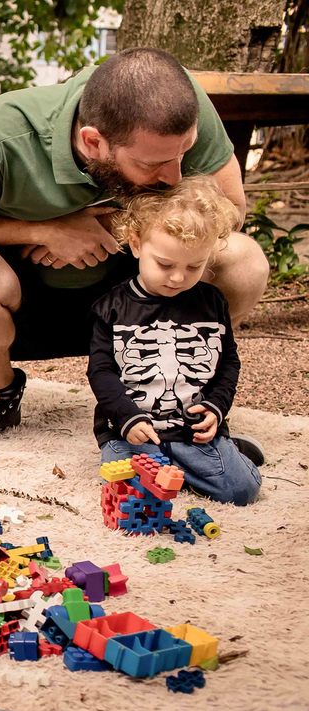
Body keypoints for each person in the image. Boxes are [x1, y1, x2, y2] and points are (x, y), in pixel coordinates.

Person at [0, 47, 269, 442]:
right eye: (152, 165)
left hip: (147, 293)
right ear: (93, 141)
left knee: (242, 260)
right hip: (25, 304)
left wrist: (119, 224)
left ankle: (186, 394)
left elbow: (231, 209)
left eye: (183, 155)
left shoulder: (179, 109)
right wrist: (43, 231)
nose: (174, 177)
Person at [88, 176, 261, 505]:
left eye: (195, 265)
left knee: (242, 490)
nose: (179, 277)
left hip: (190, 432)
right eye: (165, 264)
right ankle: (201, 463)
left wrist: (216, 408)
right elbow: (101, 372)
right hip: (132, 433)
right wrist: (126, 417)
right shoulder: (111, 307)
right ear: (137, 244)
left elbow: (227, 364)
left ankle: (225, 453)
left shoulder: (212, 303)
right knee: (132, 493)